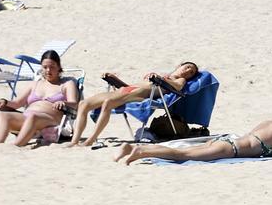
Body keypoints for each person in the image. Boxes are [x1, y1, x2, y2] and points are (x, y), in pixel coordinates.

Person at [117, 100, 272, 165]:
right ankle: (140, 152)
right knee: (183, 154)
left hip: (226, 142)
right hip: (230, 150)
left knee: (185, 152)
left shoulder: (267, 123)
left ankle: (133, 150)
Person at [66, 62, 201, 147]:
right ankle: (74, 141)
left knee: (108, 103)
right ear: (180, 65)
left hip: (140, 96)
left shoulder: (179, 80)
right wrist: (114, 79)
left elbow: (177, 87)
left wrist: (161, 79)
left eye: (191, 73)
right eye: (188, 67)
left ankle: (91, 140)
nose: (188, 71)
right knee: (84, 104)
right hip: (127, 89)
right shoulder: (162, 75)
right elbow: (128, 86)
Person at [0, 50, 78, 147]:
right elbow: (17, 103)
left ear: (59, 67)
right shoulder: (35, 84)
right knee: (4, 116)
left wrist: (64, 103)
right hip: (27, 118)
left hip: (51, 119)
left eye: (52, 67)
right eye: (45, 67)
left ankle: (16, 146)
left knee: (34, 117)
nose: (48, 70)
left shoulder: (67, 84)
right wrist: (4, 101)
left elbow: (75, 104)